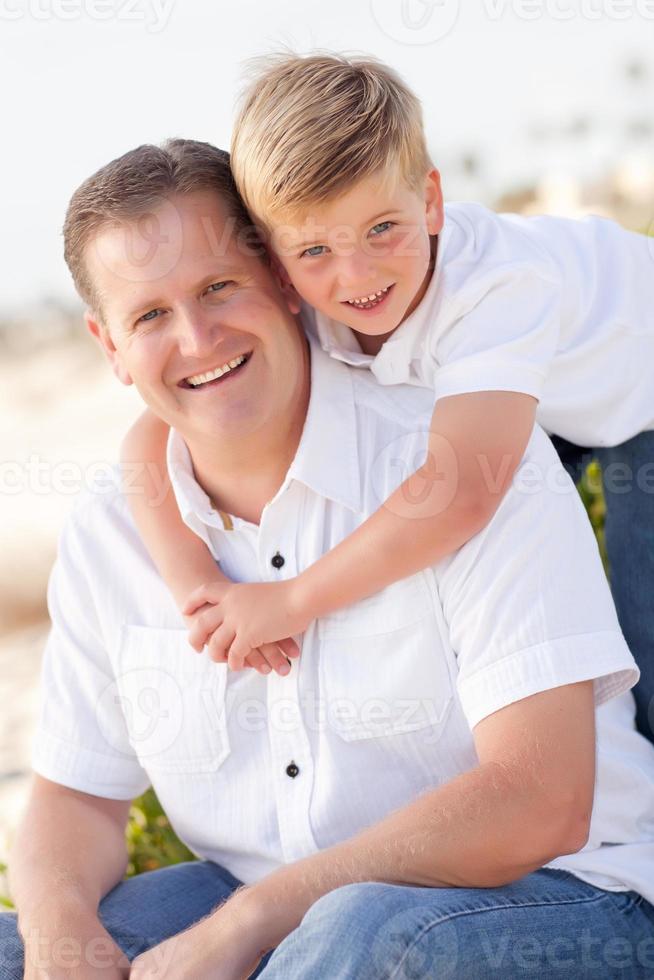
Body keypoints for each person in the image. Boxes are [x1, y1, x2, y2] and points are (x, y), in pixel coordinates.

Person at [3, 139, 654, 979]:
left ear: (280, 278)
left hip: (565, 895)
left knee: (361, 937)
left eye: (216, 288)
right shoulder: (113, 532)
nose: (197, 338)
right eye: (151, 317)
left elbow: (542, 803)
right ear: (109, 346)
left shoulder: (459, 461)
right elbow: (76, 794)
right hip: (268, 900)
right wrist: (59, 934)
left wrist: (258, 922)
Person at [122, 54, 654, 748]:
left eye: (383, 230)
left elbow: (460, 491)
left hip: (638, 390)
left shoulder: (496, 288)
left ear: (430, 201)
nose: (357, 275)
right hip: (549, 395)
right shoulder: (316, 299)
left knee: (644, 631)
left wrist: (292, 600)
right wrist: (201, 589)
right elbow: (150, 437)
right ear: (275, 259)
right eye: (314, 250)